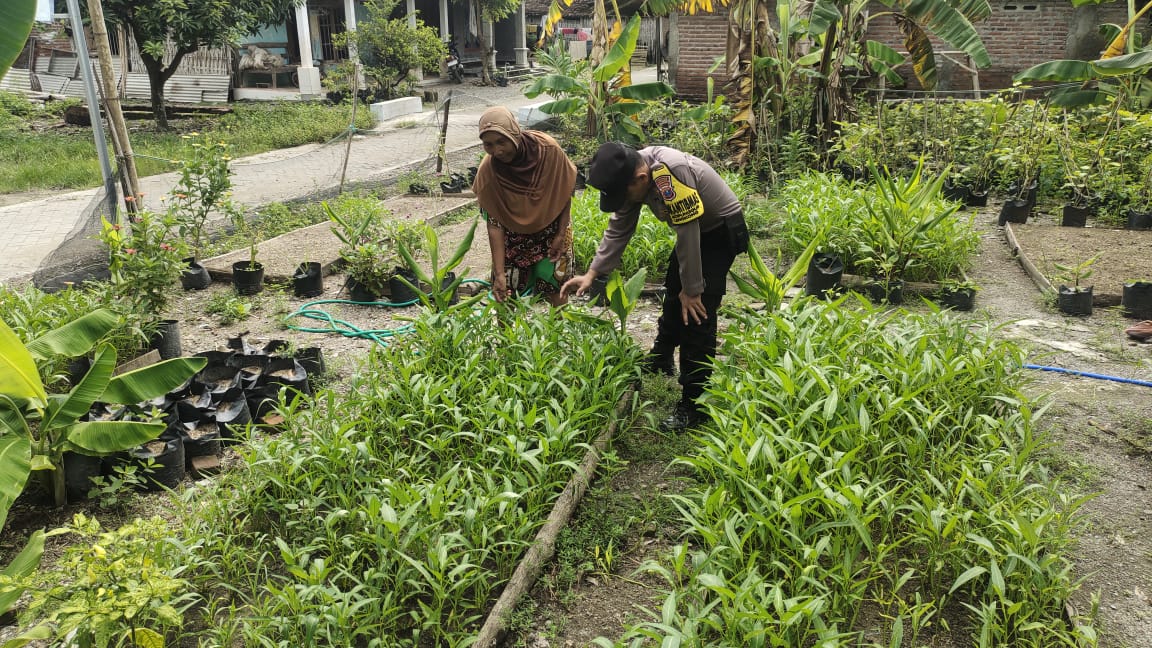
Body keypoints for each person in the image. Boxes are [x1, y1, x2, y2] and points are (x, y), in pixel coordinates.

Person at [561, 142, 749, 432]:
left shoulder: (670, 173)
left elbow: (688, 231)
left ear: (640, 180)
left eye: (623, 195)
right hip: (695, 233)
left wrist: (694, 289)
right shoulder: (636, 173)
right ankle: (662, 358)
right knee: (674, 293)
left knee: (697, 314)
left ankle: (694, 404)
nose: (624, 202)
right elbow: (619, 227)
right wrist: (592, 273)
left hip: (720, 231)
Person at [472, 106, 577, 306]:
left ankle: (561, 337)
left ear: (515, 132)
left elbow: (564, 193)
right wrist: (499, 272)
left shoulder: (548, 151)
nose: (497, 151)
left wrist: (560, 235)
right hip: (512, 241)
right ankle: (507, 338)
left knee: (556, 291)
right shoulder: (489, 172)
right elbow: (494, 224)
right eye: (488, 145)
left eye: (501, 141)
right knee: (506, 296)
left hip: (552, 232)